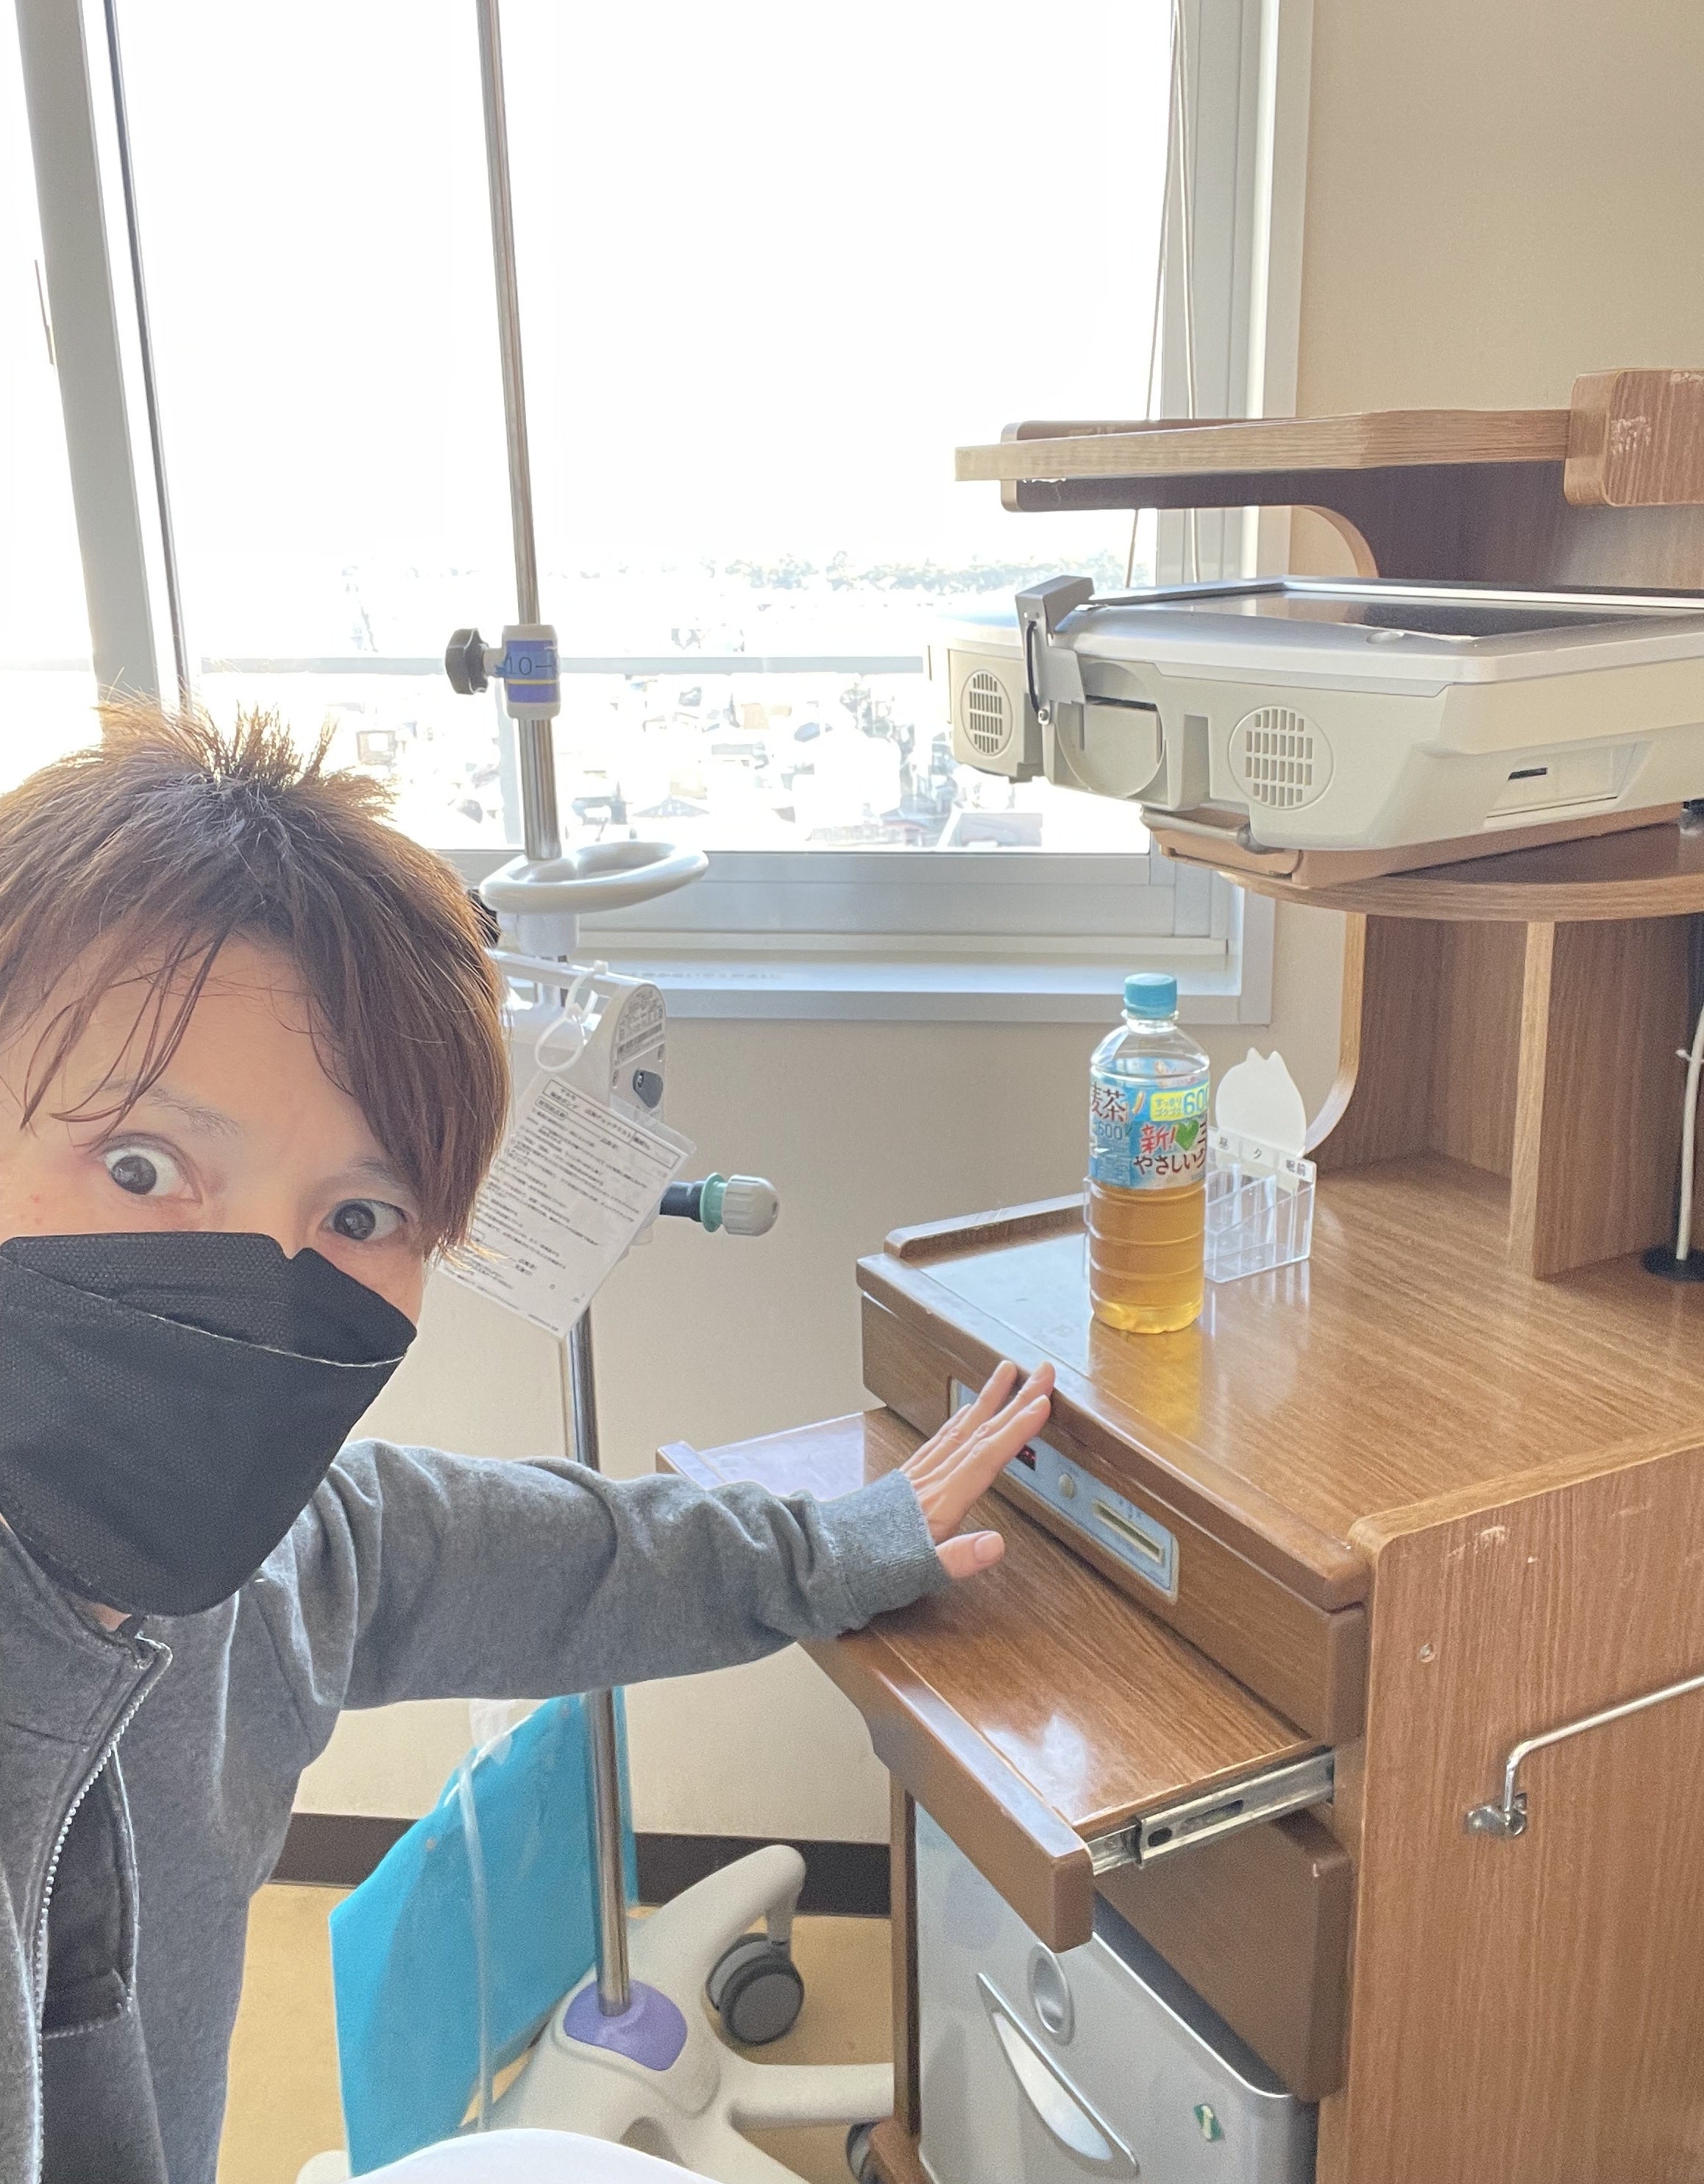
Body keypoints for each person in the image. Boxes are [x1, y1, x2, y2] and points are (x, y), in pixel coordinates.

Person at [0, 707, 1055, 2184]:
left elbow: (535, 1554)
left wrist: (840, 1543)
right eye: (140, 1164)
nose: (261, 1289)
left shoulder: (271, 1574)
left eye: (359, 1215)